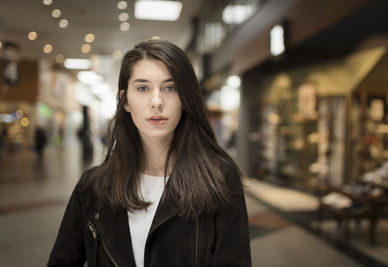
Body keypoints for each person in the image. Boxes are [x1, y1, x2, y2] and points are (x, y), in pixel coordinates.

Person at [48, 39, 251, 267]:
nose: (157, 102)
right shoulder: (94, 187)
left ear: (185, 99)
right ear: (124, 101)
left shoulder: (219, 179)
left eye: (170, 88)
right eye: (143, 88)